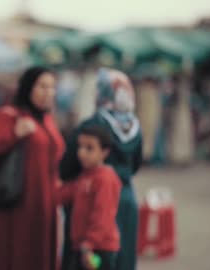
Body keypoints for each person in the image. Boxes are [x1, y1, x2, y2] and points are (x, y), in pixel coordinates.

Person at [0, 66, 65, 270]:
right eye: (42, 86)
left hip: (45, 204)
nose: (48, 92)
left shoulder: (47, 119)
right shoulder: (10, 116)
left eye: (52, 87)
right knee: (18, 255)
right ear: (28, 87)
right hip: (17, 205)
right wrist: (14, 134)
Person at [60, 68, 142, 270]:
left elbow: (66, 167)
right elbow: (136, 164)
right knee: (121, 258)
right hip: (126, 198)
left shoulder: (93, 124)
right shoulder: (134, 126)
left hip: (93, 199)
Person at [56, 126, 121, 270]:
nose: (82, 153)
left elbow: (103, 216)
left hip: (98, 248)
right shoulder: (85, 176)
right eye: (81, 147)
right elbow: (64, 194)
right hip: (84, 246)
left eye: (89, 148)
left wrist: (89, 243)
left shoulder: (105, 179)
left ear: (104, 152)